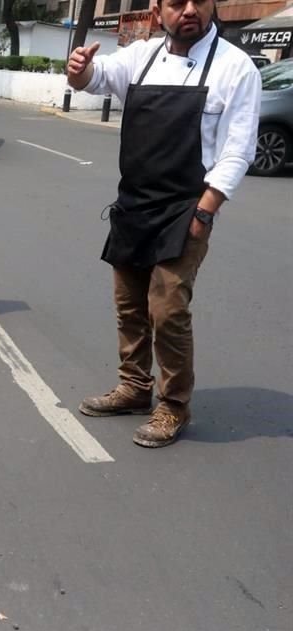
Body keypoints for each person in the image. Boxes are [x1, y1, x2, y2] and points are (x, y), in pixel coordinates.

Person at [67, 0, 261, 447]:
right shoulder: (141, 56)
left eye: (199, 1)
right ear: (158, 12)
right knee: (130, 305)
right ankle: (134, 387)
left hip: (186, 208)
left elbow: (239, 149)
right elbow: (93, 79)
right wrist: (77, 70)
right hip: (134, 203)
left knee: (168, 309)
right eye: (176, 3)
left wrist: (205, 210)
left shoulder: (236, 68)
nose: (189, 10)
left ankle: (174, 404)